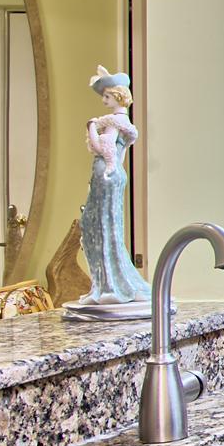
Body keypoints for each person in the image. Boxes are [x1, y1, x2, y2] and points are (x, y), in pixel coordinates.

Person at [77, 67, 151, 306]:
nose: (103, 100)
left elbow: (104, 148)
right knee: (97, 225)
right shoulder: (120, 122)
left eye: (107, 96)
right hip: (108, 175)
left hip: (107, 175)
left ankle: (110, 284)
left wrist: (90, 126)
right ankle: (104, 283)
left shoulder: (113, 122)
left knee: (101, 227)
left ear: (117, 96)